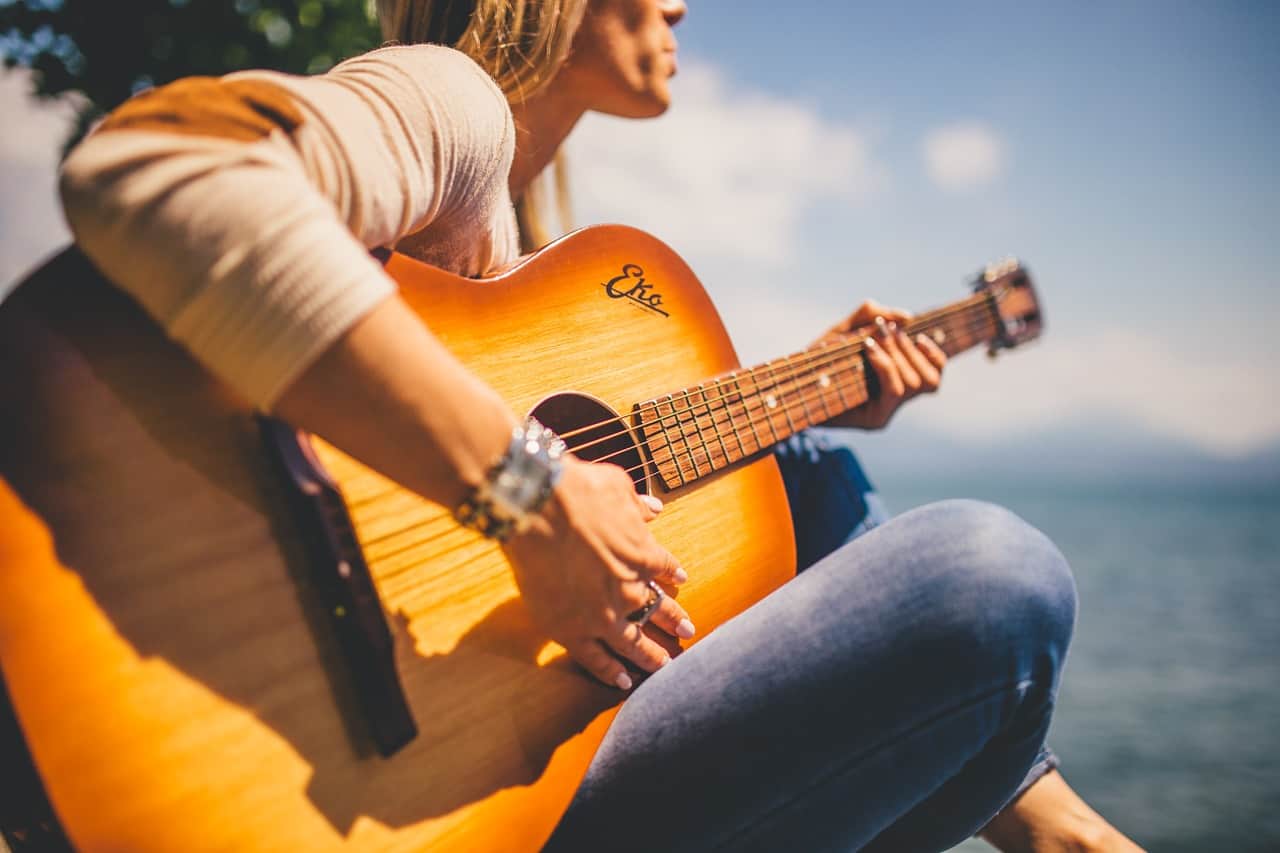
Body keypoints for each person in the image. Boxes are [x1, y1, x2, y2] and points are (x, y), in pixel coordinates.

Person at [55, 1, 1143, 849]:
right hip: (369, 790)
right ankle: (1052, 825)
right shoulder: (451, 104)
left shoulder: (547, 260)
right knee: (990, 571)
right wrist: (525, 497)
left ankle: (1051, 822)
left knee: (805, 466)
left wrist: (812, 388)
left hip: (519, 769)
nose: (679, 8)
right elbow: (159, 164)